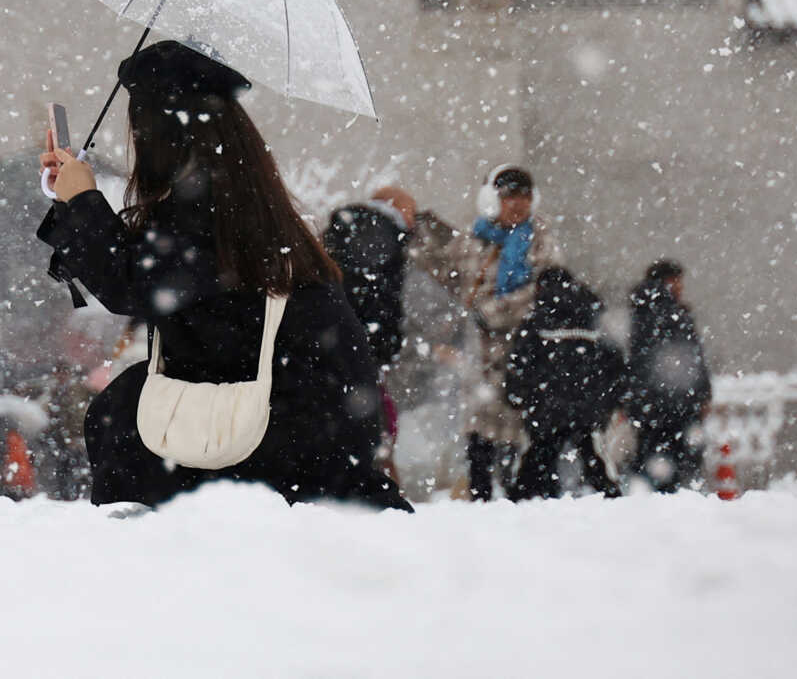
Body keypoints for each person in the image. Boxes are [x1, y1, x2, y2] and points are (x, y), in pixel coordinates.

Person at [37, 41, 408, 511]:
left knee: (126, 419)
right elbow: (145, 269)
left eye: (140, 125)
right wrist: (75, 197)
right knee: (128, 411)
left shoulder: (203, 203)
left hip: (291, 429)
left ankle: (140, 561)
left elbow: (131, 282)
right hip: (318, 418)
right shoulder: (236, 194)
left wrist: (83, 202)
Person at [463, 165, 558, 501]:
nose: (517, 204)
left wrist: (495, 311)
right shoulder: (478, 240)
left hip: (529, 355)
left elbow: (545, 292)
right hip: (484, 358)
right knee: (481, 435)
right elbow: (469, 291)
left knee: (524, 436)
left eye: (525, 196)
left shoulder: (540, 238)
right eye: (509, 196)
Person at [504, 266, 626, 500]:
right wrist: (612, 400)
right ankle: (611, 499)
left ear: (540, 288)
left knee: (538, 461)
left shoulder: (536, 319)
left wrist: (517, 397)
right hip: (588, 407)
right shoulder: (594, 317)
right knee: (595, 460)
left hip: (546, 408)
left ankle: (525, 503)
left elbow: (519, 362)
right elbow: (615, 363)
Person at [624, 259, 711, 492]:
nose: (681, 287)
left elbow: (635, 362)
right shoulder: (675, 315)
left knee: (651, 459)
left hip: (648, 404)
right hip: (678, 401)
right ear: (667, 282)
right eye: (677, 281)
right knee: (681, 463)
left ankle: (652, 502)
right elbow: (692, 358)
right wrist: (702, 394)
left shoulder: (638, 314)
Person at [325, 187, 416, 375]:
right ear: (396, 206)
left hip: (333, 333)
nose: (413, 222)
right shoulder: (382, 232)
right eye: (412, 212)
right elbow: (378, 294)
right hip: (360, 343)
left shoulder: (348, 229)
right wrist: (384, 346)